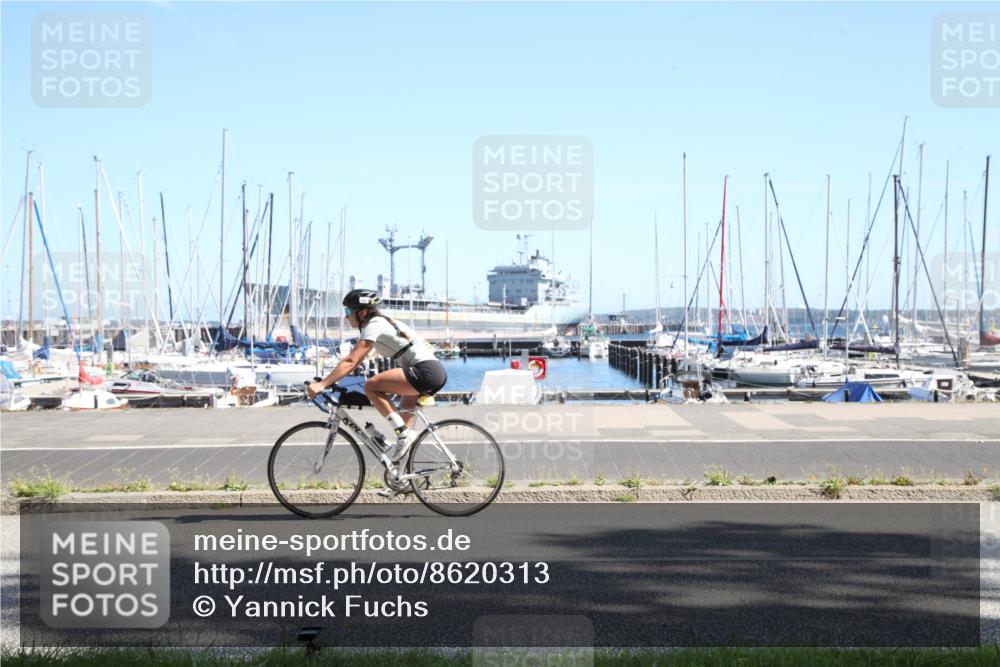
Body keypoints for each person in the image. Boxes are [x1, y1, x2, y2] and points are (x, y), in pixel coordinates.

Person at [307, 288, 447, 463]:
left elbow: (352, 361)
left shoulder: (375, 324)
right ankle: (400, 479)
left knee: (371, 387)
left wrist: (323, 384)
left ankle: (403, 434)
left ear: (363, 312)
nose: (346, 316)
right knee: (402, 436)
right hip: (430, 372)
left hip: (425, 371)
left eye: (348, 311)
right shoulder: (382, 323)